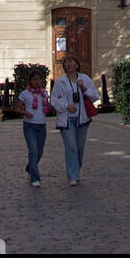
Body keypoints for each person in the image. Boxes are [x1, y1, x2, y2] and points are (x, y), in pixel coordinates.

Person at [51, 56, 99, 186]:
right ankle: (72, 175)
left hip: (82, 119)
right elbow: (54, 100)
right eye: (66, 62)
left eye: (72, 62)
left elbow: (95, 96)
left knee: (79, 148)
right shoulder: (60, 81)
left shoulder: (85, 79)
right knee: (71, 147)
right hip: (67, 119)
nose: (69, 64)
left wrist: (84, 88)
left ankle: (76, 172)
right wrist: (66, 106)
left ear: (77, 65)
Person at [16, 68, 49, 186]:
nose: (37, 82)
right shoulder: (25, 94)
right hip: (29, 125)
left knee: (39, 152)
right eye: (34, 79)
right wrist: (25, 113)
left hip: (42, 125)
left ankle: (30, 167)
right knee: (33, 150)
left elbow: (47, 107)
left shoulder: (44, 93)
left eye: (39, 79)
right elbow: (18, 108)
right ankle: (35, 177)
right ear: (30, 81)